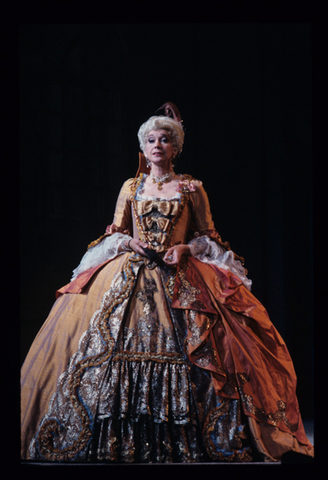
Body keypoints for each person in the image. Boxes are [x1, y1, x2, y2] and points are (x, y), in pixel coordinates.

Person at [21, 102, 314, 463]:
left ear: (175, 146)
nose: (157, 145)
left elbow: (209, 235)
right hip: (132, 273)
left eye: (164, 139)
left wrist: (186, 248)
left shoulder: (191, 188)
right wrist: (130, 243)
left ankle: (190, 433)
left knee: (207, 345)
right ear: (142, 148)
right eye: (150, 140)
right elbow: (117, 231)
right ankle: (116, 434)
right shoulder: (131, 187)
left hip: (181, 275)